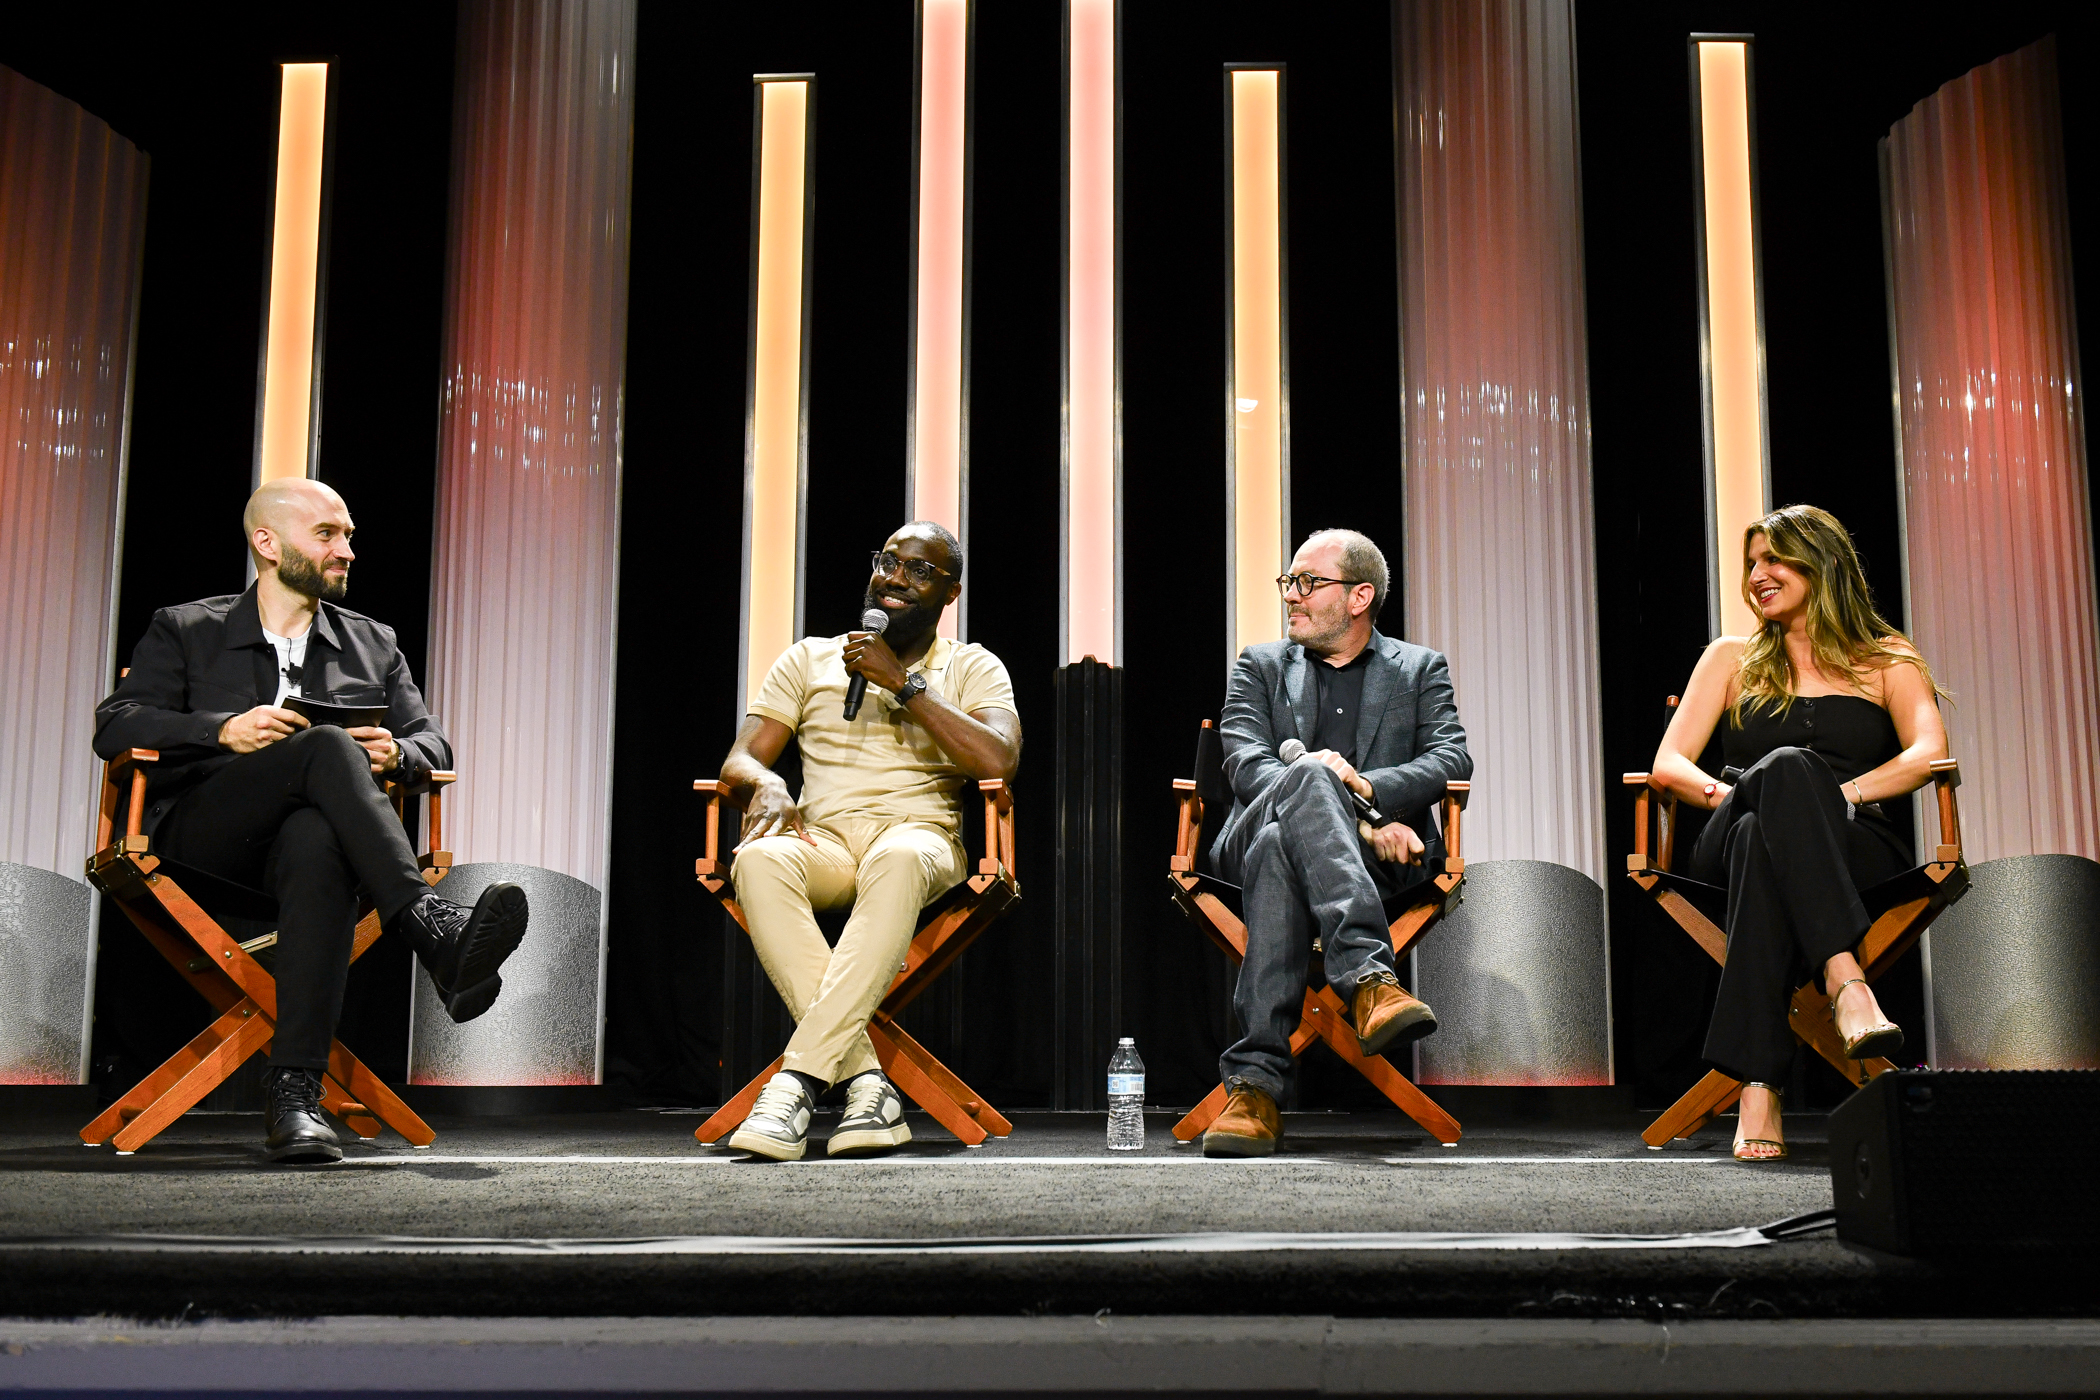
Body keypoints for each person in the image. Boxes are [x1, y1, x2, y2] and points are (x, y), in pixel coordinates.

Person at [94, 478, 532, 1164]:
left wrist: (399, 750)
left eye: (349, 535)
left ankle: (295, 1097)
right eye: (328, 534)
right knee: (325, 745)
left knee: (317, 839)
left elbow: (433, 744)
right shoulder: (187, 627)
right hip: (204, 845)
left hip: (306, 859)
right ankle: (426, 923)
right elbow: (116, 724)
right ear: (266, 544)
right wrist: (222, 730)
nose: (347, 549)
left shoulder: (373, 643)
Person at [1650, 504, 1947, 1162]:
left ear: (1823, 563)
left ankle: (1759, 1083)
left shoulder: (1886, 657)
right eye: (1752, 562)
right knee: (1773, 787)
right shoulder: (1731, 657)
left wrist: (1831, 797)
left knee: (1770, 833)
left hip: (1852, 842)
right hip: (1726, 827)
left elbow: (1929, 753)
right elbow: (1668, 764)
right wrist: (1740, 792)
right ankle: (1847, 981)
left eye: (1775, 558)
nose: (1758, 573)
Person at [718, 522, 1021, 1161]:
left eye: (918, 571)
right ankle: (866, 1084)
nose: (894, 578)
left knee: (900, 857)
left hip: (921, 838)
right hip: (822, 838)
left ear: (951, 593)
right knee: (761, 859)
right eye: (888, 562)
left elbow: (998, 759)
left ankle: (796, 1082)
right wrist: (766, 783)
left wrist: (904, 685)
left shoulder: (972, 666)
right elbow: (739, 762)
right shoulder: (807, 658)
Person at [1201, 528, 1472, 1158]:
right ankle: (1371, 979)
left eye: (1307, 583)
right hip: (1312, 842)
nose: (1291, 596)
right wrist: (1360, 819)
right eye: (1288, 582)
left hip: (1372, 867)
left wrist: (1368, 785)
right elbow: (1245, 766)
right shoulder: (1260, 666)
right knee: (1304, 779)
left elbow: (1452, 757)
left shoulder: (1417, 667)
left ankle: (1254, 1087)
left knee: (1279, 849)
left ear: (1359, 597)